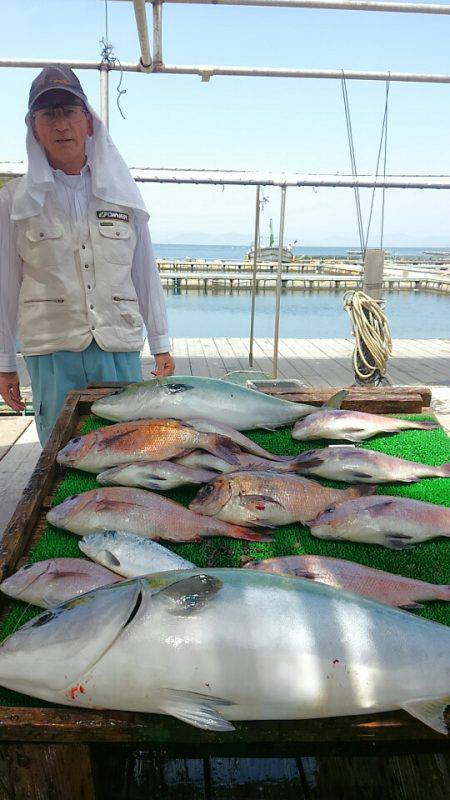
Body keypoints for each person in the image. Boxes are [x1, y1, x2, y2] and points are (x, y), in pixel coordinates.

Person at [0, 65, 174, 445]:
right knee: (61, 452)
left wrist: (160, 341)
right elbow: (4, 287)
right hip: (51, 353)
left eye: (69, 112)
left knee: (124, 446)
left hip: (118, 346)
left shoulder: (122, 194)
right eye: (48, 114)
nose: (61, 125)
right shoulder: (13, 201)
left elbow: (145, 271)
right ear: (34, 127)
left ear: (88, 121)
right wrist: (4, 363)